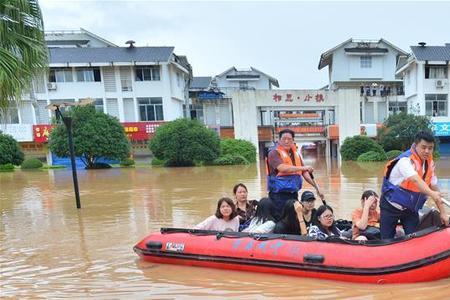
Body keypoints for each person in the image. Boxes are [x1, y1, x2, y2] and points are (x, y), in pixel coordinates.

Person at [380, 131, 448, 239]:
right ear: (416, 145)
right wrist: (432, 194)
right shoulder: (405, 161)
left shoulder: (430, 163)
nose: (427, 151)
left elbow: (434, 187)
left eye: (430, 148)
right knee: (386, 240)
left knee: (415, 239)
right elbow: (416, 180)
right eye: (423, 147)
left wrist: (443, 213)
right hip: (391, 206)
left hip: (411, 209)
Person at [266, 129, 324, 220]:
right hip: (278, 195)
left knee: (294, 217)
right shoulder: (273, 153)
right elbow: (282, 168)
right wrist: (303, 168)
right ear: (279, 140)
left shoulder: (296, 154)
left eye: (289, 139)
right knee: (280, 218)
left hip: (293, 194)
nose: (286, 141)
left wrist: (317, 188)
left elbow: (305, 173)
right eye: (284, 139)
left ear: (293, 140)